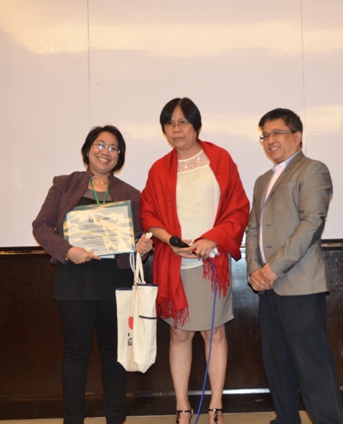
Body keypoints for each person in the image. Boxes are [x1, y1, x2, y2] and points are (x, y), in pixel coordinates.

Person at [32, 125, 153, 424]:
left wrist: (142, 246)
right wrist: (67, 250)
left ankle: (116, 418)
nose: (105, 152)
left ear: (119, 156)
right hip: (74, 279)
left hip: (115, 280)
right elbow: (41, 226)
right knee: (75, 353)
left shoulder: (130, 194)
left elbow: (136, 240)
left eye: (113, 148)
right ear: (88, 150)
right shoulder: (64, 185)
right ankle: (73, 419)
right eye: (100, 145)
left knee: (115, 354)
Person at [140, 97, 249, 424]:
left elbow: (238, 209)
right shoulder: (159, 169)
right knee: (179, 335)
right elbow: (148, 214)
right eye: (169, 123)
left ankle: (215, 405)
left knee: (214, 333)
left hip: (210, 264)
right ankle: (183, 407)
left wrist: (211, 239)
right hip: (174, 264)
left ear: (196, 125)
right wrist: (170, 241)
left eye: (183, 122)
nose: (176, 129)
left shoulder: (220, 159)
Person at [245, 108, 343, 424]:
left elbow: (311, 223)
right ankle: (286, 419)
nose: (270, 140)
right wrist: (253, 270)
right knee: (277, 363)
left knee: (312, 365)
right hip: (267, 286)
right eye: (265, 135)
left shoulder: (312, 169)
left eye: (277, 133)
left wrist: (272, 268)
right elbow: (252, 228)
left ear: (298, 135)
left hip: (300, 285)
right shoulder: (262, 180)